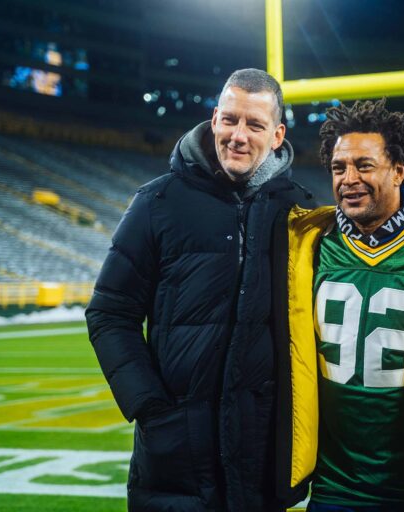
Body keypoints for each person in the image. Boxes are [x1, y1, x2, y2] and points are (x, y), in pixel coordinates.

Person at [85, 68, 311, 512]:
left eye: (255, 124)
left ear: (277, 135)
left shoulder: (299, 211)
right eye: (230, 119)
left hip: (261, 447)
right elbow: (110, 313)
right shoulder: (157, 202)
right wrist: (150, 406)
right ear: (213, 119)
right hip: (176, 448)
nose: (238, 135)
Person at [270, 99, 404, 512]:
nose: (349, 179)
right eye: (339, 168)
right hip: (331, 488)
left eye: (364, 166)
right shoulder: (306, 242)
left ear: (399, 171)